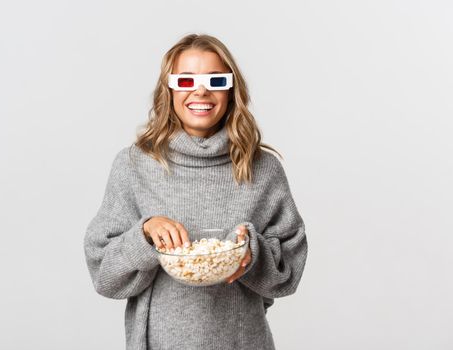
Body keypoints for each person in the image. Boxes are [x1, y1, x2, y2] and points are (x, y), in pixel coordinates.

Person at [83, 33, 308, 350]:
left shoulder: (263, 169)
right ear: (169, 90)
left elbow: (289, 273)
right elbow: (105, 276)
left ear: (231, 91)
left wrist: (252, 254)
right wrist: (145, 233)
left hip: (242, 341)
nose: (201, 90)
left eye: (215, 81)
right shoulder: (134, 165)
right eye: (186, 81)